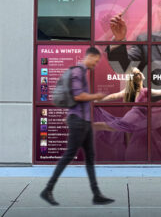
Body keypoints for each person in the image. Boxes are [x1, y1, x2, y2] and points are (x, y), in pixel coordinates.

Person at [40, 47, 114, 206]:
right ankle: (48, 189)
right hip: (79, 122)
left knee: (90, 157)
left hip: (84, 122)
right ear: (91, 56)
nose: (96, 63)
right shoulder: (77, 72)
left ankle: (96, 194)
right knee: (68, 155)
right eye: (96, 60)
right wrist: (97, 96)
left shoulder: (82, 73)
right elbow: (78, 96)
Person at [93, 67, 161, 161]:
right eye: (137, 75)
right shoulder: (134, 91)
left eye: (138, 74)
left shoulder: (141, 91)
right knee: (115, 126)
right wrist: (98, 101)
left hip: (141, 119)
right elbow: (113, 96)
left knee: (120, 129)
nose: (139, 77)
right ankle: (90, 126)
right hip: (135, 116)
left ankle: (134, 156)